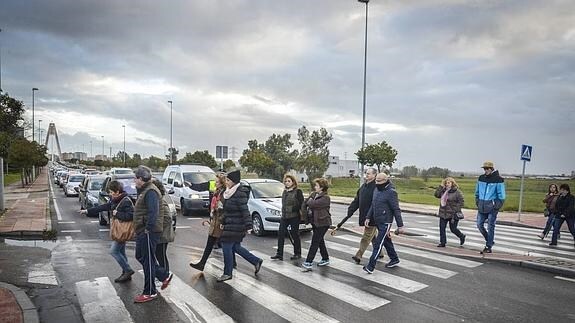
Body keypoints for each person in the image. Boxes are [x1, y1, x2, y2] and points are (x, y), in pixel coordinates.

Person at [79, 180, 135, 283]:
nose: (109, 194)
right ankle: (126, 273)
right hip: (119, 231)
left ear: (117, 191)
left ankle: (128, 270)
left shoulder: (125, 201)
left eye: (111, 192)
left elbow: (131, 216)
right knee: (121, 252)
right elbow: (103, 207)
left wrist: (117, 214)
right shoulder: (115, 200)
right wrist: (87, 211)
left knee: (114, 251)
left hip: (121, 231)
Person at [133, 166, 172, 303]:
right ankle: (163, 275)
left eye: (135, 178)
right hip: (143, 230)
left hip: (148, 231)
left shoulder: (150, 191)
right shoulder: (145, 190)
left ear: (141, 179)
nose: (134, 180)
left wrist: (147, 228)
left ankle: (150, 291)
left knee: (148, 261)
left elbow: (153, 213)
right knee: (140, 256)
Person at [217, 170, 263, 282]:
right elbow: (227, 211)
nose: (226, 182)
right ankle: (256, 261)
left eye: (228, 180)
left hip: (236, 226)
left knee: (226, 246)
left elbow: (245, 211)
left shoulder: (239, 193)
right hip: (230, 224)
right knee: (235, 247)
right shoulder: (229, 192)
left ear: (234, 181)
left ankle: (227, 273)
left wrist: (249, 226)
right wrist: (223, 222)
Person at [363, 173, 404, 274]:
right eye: (376, 180)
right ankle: (394, 258)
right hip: (377, 220)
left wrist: (400, 225)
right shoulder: (376, 189)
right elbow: (373, 204)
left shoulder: (391, 192)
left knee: (378, 244)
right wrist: (368, 217)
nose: (377, 183)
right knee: (386, 241)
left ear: (386, 180)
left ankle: (370, 266)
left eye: (379, 181)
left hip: (386, 221)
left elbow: (396, 209)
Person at [336, 168, 379, 264]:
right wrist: (350, 210)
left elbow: (377, 203)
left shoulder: (376, 188)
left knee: (366, 236)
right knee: (372, 236)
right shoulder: (363, 187)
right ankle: (379, 252)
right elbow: (357, 201)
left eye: (369, 174)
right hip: (365, 216)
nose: (366, 175)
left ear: (374, 175)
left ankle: (358, 255)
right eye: (366, 173)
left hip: (373, 217)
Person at [190, 173, 226, 271]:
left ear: (222, 183)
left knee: (230, 245)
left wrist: (219, 216)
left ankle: (253, 260)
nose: (215, 183)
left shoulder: (223, 194)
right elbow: (202, 186)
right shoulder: (217, 191)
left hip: (219, 222)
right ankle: (202, 264)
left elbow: (223, 209)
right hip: (215, 221)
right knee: (211, 243)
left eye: (217, 182)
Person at [271, 174, 304, 261]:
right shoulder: (285, 192)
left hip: (294, 216)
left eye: (289, 181)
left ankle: (297, 253)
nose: (287, 183)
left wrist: (290, 209)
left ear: (293, 182)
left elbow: (301, 204)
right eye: (285, 181)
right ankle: (279, 254)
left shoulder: (298, 191)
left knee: (295, 234)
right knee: (280, 234)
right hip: (284, 216)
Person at [475, 161, 506, 254]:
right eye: (484, 168)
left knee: (490, 226)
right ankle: (490, 240)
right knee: (479, 225)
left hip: (492, 208)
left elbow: (502, 195)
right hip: (481, 206)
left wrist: (496, 206)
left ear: (492, 169)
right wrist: (478, 201)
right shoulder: (481, 178)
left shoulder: (498, 179)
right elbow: (477, 192)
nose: (486, 170)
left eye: (488, 168)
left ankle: (488, 246)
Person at [301, 178, 332, 272]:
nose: (315, 187)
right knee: (320, 241)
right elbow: (306, 202)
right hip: (315, 222)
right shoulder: (314, 194)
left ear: (322, 187)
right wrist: (309, 201)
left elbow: (312, 204)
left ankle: (308, 262)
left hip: (323, 223)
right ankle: (325, 258)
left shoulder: (326, 198)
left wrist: (310, 201)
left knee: (315, 242)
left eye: (316, 185)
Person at [434, 177, 466, 247]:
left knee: (453, 229)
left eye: (449, 183)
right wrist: (440, 186)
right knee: (442, 228)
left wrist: (456, 210)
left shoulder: (457, 192)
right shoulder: (443, 191)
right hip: (443, 212)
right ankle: (443, 242)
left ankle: (461, 236)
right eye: (446, 183)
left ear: (452, 183)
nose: (447, 184)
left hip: (453, 214)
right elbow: (436, 195)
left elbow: (461, 202)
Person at [152, 178, 175, 272]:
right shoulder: (157, 200)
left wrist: (157, 227)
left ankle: (165, 274)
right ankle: (163, 273)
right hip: (160, 234)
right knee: (158, 255)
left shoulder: (161, 201)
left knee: (161, 256)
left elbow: (168, 218)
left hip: (162, 235)